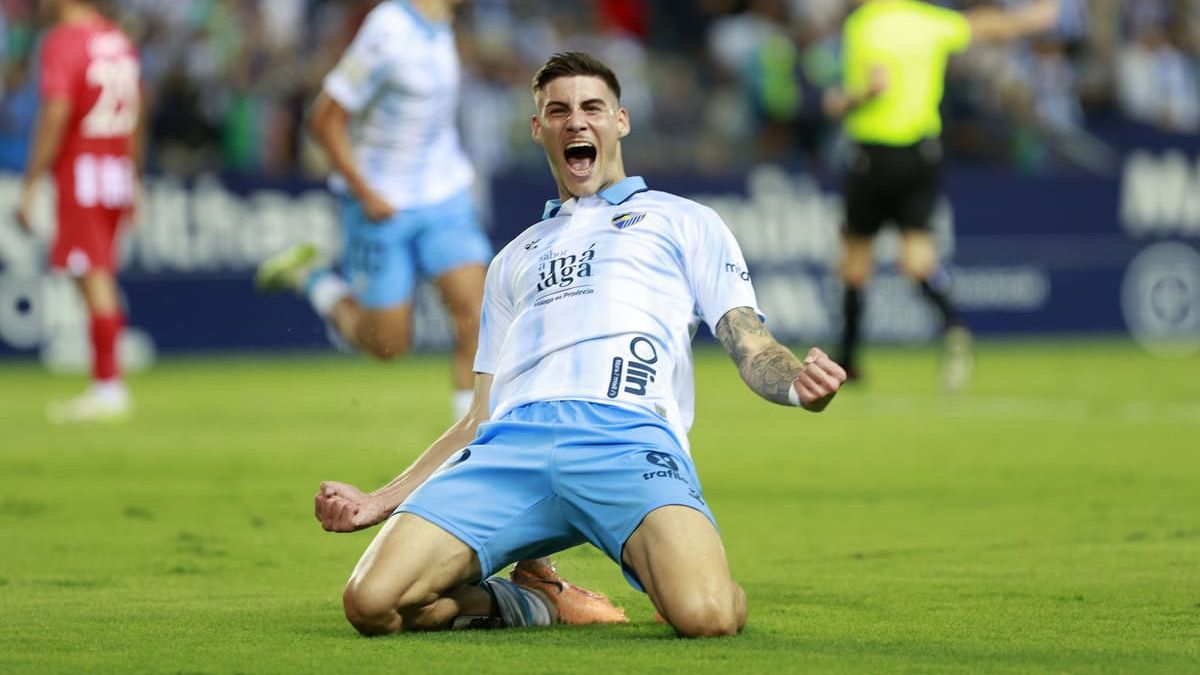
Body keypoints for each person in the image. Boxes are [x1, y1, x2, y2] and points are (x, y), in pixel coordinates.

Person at [313, 51, 847, 637]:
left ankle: (673, 569)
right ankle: (532, 601)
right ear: (539, 129)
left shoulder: (684, 220)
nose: (576, 121)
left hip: (625, 440)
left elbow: (752, 344)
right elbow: (478, 416)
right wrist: (379, 500)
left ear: (620, 121)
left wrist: (797, 385)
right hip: (510, 450)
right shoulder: (511, 258)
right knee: (372, 603)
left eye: (591, 107)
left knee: (708, 615)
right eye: (557, 111)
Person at [255, 0, 491, 420]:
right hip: (383, 206)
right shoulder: (388, 30)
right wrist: (366, 192)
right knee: (387, 345)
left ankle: (466, 447)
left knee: (478, 315)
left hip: (445, 197)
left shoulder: (444, 24)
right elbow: (324, 119)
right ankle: (310, 280)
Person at [824, 0, 1061, 390]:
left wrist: (848, 99)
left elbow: (867, 88)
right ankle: (954, 326)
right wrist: (1031, 19)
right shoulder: (927, 22)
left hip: (874, 155)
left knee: (854, 262)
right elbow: (983, 27)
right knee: (918, 261)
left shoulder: (864, 25)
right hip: (922, 153)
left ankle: (848, 360)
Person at [15, 0, 142, 424]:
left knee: (93, 275)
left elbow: (56, 110)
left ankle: (109, 386)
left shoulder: (63, 41)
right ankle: (108, 382)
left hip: (83, 171)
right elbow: (137, 113)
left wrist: (31, 182)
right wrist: (135, 176)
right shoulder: (117, 39)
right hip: (116, 170)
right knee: (92, 273)